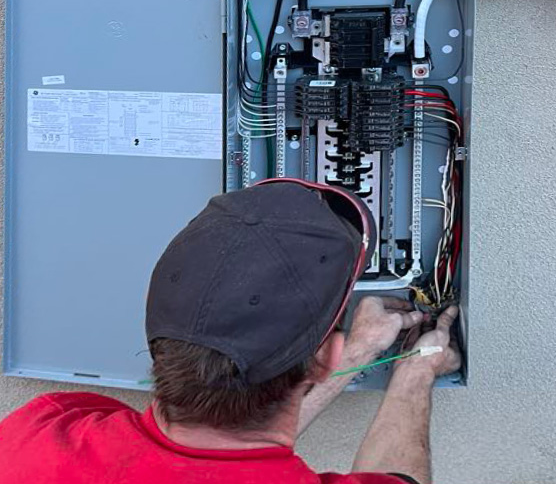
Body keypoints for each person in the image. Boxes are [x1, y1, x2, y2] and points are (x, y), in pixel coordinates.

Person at [0, 179, 461, 484]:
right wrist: (418, 367)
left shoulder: (36, 435)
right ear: (325, 358)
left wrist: (351, 353)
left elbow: (209, 450)